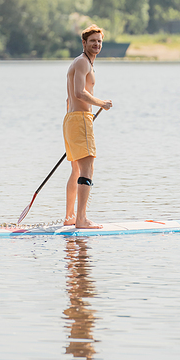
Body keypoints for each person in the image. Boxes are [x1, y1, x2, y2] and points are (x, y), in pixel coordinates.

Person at [63, 24, 113, 229]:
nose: (97, 45)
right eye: (93, 41)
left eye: (99, 41)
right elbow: (78, 93)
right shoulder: (83, 62)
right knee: (87, 168)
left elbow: (69, 99)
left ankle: (70, 217)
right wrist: (102, 103)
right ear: (84, 43)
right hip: (80, 119)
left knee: (76, 170)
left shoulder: (83, 63)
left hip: (72, 119)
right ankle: (81, 220)